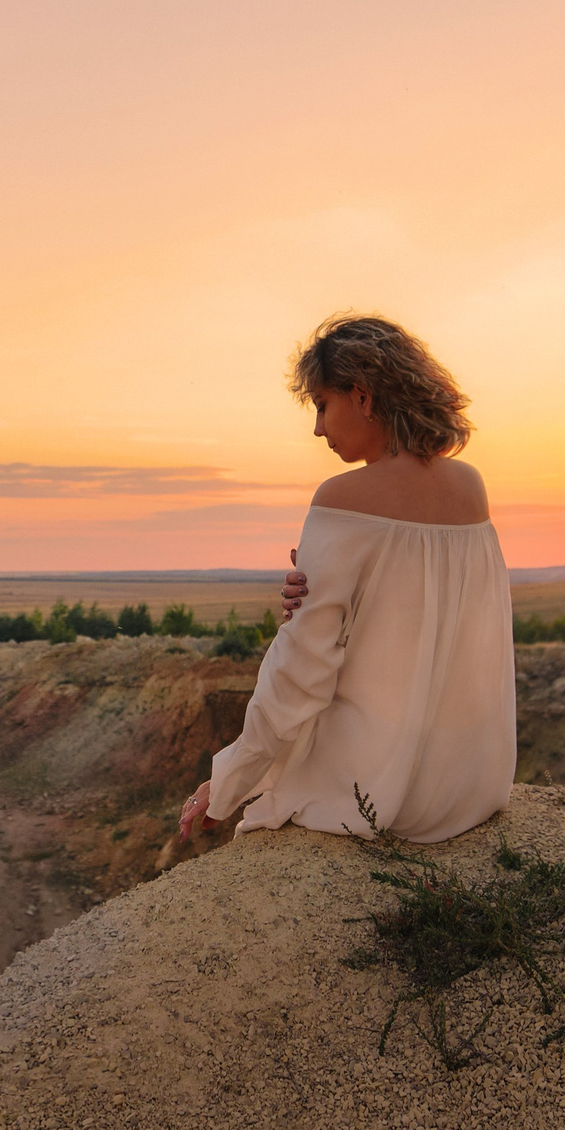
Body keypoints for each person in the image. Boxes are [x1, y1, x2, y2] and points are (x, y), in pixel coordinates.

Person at [174, 314, 514, 847]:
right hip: (468, 785)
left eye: (321, 404)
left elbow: (300, 671)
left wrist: (226, 784)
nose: (317, 428)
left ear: (363, 397)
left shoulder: (340, 499)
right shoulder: (471, 487)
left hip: (379, 794)